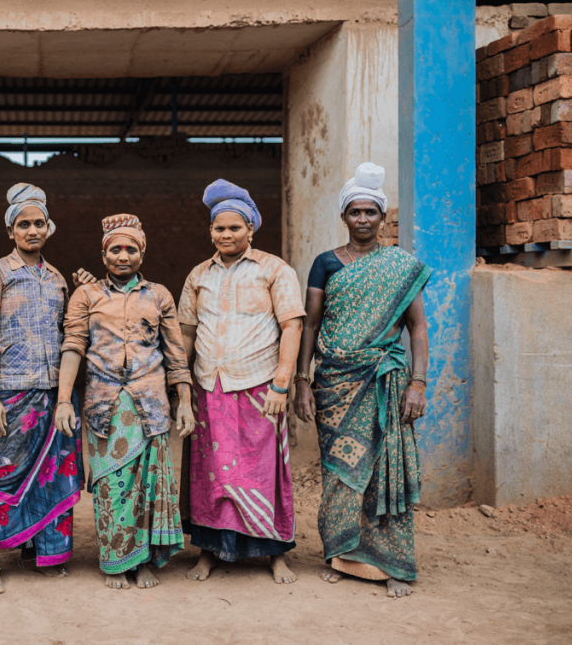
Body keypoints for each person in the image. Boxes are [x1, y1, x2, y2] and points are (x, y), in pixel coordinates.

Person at [294, 162, 430, 599]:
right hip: (334, 381)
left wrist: (419, 382)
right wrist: (302, 379)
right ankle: (341, 554)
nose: (364, 220)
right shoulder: (325, 264)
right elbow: (311, 326)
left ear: (383, 217)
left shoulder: (399, 266)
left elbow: (418, 328)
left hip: (385, 383)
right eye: (355, 212)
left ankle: (390, 563)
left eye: (371, 212)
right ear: (344, 217)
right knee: (339, 474)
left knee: (383, 471)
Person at [55, 214, 195, 590]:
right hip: (105, 407)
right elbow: (73, 347)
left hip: (149, 406)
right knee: (111, 485)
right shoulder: (86, 296)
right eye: (115, 249)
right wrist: (63, 400)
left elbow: (175, 353)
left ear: (142, 252)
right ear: (104, 255)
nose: (123, 255)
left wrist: (184, 400)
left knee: (148, 488)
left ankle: (144, 560)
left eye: (131, 248)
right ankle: (116, 560)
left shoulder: (160, 295)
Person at [178, 180, 305, 584]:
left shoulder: (275, 270)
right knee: (211, 473)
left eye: (235, 228)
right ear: (210, 232)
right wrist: (181, 387)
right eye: (219, 228)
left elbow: (292, 326)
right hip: (209, 388)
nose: (226, 235)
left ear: (251, 229)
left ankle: (274, 554)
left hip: (259, 388)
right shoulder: (198, 275)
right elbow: (185, 333)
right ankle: (210, 550)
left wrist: (282, 383)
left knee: (263, 472)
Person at [0, 183, 96, 594]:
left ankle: (45, 552)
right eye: (22, 224)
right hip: (9, 393)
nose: (31, 230)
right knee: (2, 475)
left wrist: (93, 291)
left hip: (51, 395)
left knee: (52, 477)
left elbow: (74, 338)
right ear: (10, 231)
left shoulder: (58, 279)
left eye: (38, 223)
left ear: (49, 228)